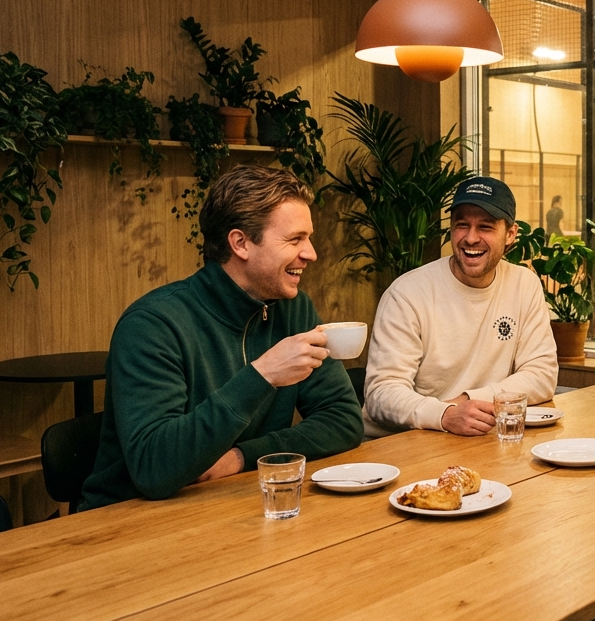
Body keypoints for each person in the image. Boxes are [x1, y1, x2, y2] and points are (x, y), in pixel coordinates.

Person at [81, 166, 363, 509]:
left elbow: (343, 420)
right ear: (240, 243)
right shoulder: (152, 325)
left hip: (231, 502)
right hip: (126, 519)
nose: (311, 253)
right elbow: (154, 468)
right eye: (294, 239)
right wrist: (263, 375)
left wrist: (241, 457)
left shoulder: (293, 309)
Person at [363, 176, 558, 438]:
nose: (471, 238)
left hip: (476, 438)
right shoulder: (407, 294)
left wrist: (468, 400)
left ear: (510, 234)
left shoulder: (525, 284)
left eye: (486, 227)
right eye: (461, 225)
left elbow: (541, 374)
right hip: (401, 444)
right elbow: (381, 394)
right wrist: (444, 415)